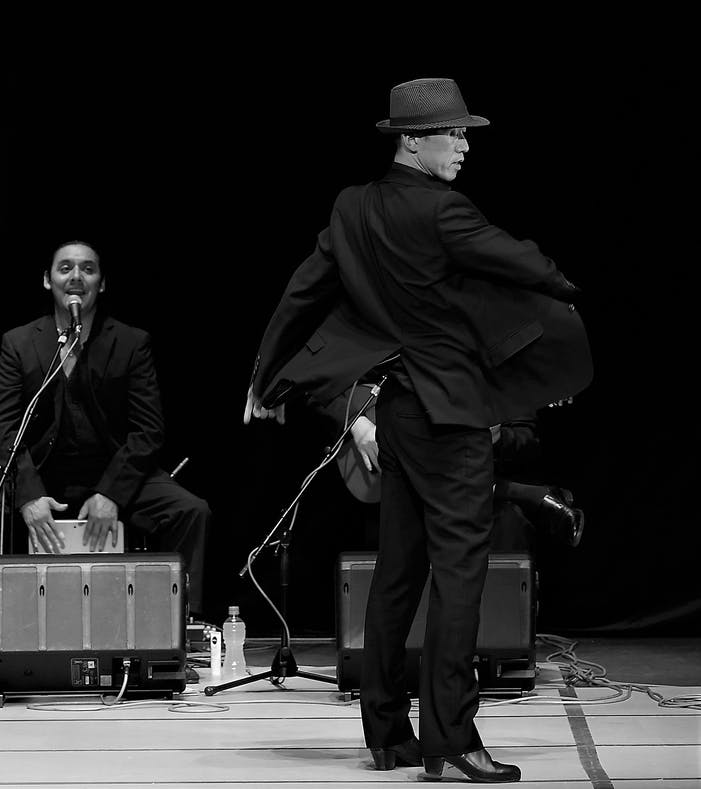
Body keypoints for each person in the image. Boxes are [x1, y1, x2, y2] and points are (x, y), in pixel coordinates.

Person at [245, 77, 592, 783]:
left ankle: (387, 732)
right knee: (460, 578)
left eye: (465, 133)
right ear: (411, 141)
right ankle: (450, 737)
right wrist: (549, 288)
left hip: (398, 409)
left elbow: (302, 290)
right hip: (452, 414)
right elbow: (532, 267)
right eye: (452, 133)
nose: (464, 145)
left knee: (397, 574)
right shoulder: (444, 211)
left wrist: (263, 374)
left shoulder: (351, 206)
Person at [0, 240, 210, 683]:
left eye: (87, 269)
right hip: (43, 474)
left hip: (114, 473)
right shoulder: (19, 342)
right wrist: (28, 496)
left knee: (190, 510)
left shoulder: (131, 342)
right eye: (65, 268)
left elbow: (148, 430)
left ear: (101, 284)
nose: (76, 277)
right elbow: (4, 430)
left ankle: (175, 639)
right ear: (48, 280)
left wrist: (112, 493)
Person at [316, 383, 584, 552]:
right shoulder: (392, 347)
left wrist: (498, 438)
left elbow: (525, 440)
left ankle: (522, 495)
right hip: (391, 494)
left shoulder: (500, 364)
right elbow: (321, 388)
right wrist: (359, 425)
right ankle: (528, 496)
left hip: (466, 487)